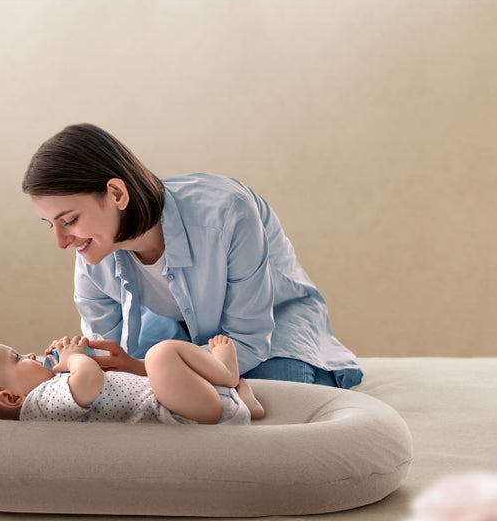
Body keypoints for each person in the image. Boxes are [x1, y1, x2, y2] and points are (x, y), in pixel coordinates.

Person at [21, 123, 362, 388]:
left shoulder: (227, 214)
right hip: (179, 336)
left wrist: (141, 369)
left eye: (69, 220)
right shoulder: (94, 253)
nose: (62, 242)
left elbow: (249, 340)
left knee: (265, 402)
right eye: (51, 225)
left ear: (116, 193)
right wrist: (72, 363)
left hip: (270, 330)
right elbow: (105, 357)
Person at [0, 334, 264, 425]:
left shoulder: (51, 393)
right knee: (161, 354)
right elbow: (89, 382)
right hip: (181, 413)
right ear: (12, 397)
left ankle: (243, 405)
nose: (29, 356)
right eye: (16, 358)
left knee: (161, 365)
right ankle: (227, 375)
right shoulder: (41, 404)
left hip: (188, 404)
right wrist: (73, 359)